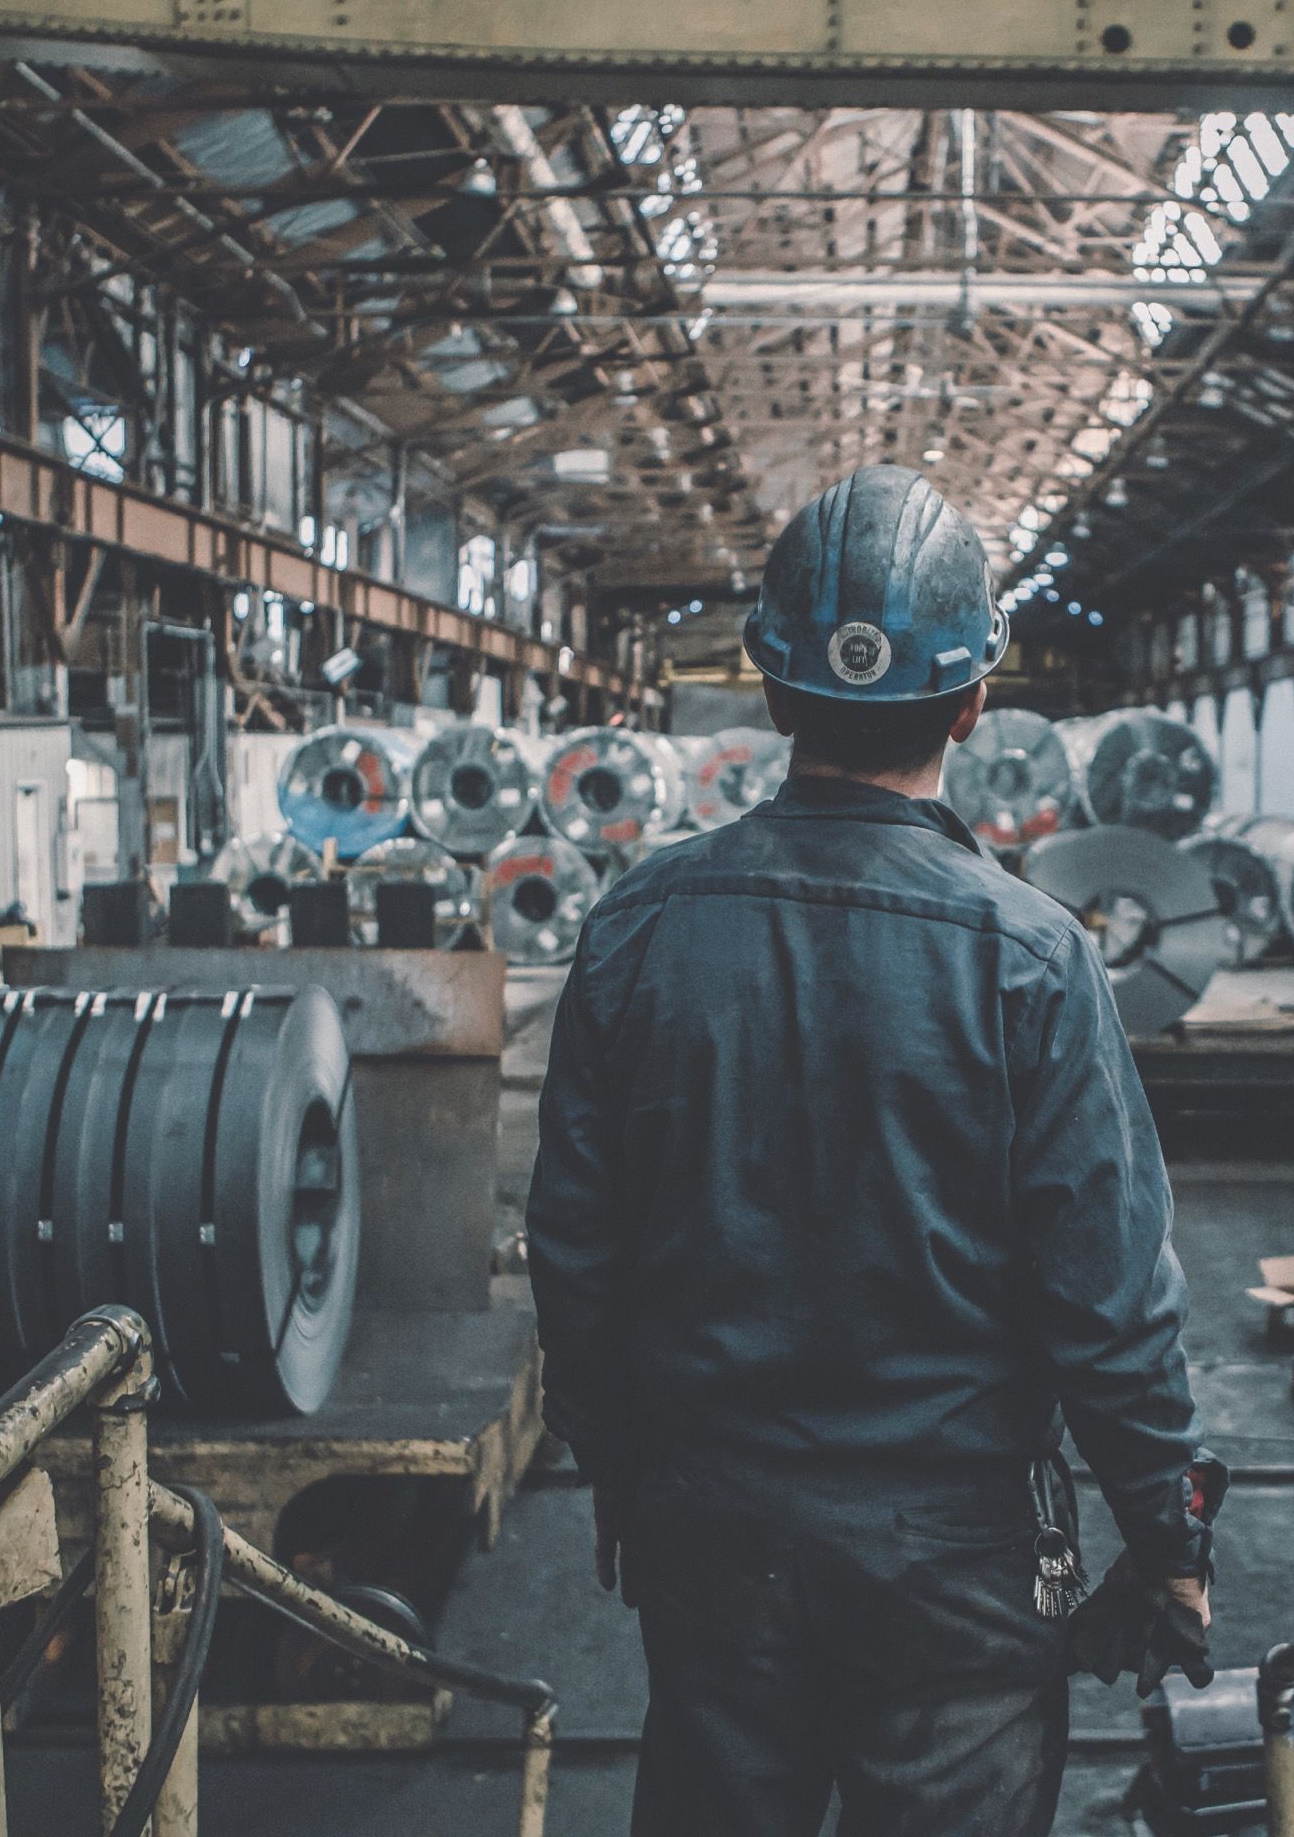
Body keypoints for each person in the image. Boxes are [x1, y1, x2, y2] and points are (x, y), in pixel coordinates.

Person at [527, 463, 1221, 1836]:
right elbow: (1109, 1295)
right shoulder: (1032, 957)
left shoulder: (638, 929)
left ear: (770, 692)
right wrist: (1167, 1530)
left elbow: (576, 1253)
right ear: (974, 702)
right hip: (952, 1552)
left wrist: (620, 1468)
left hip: (708, 1521)